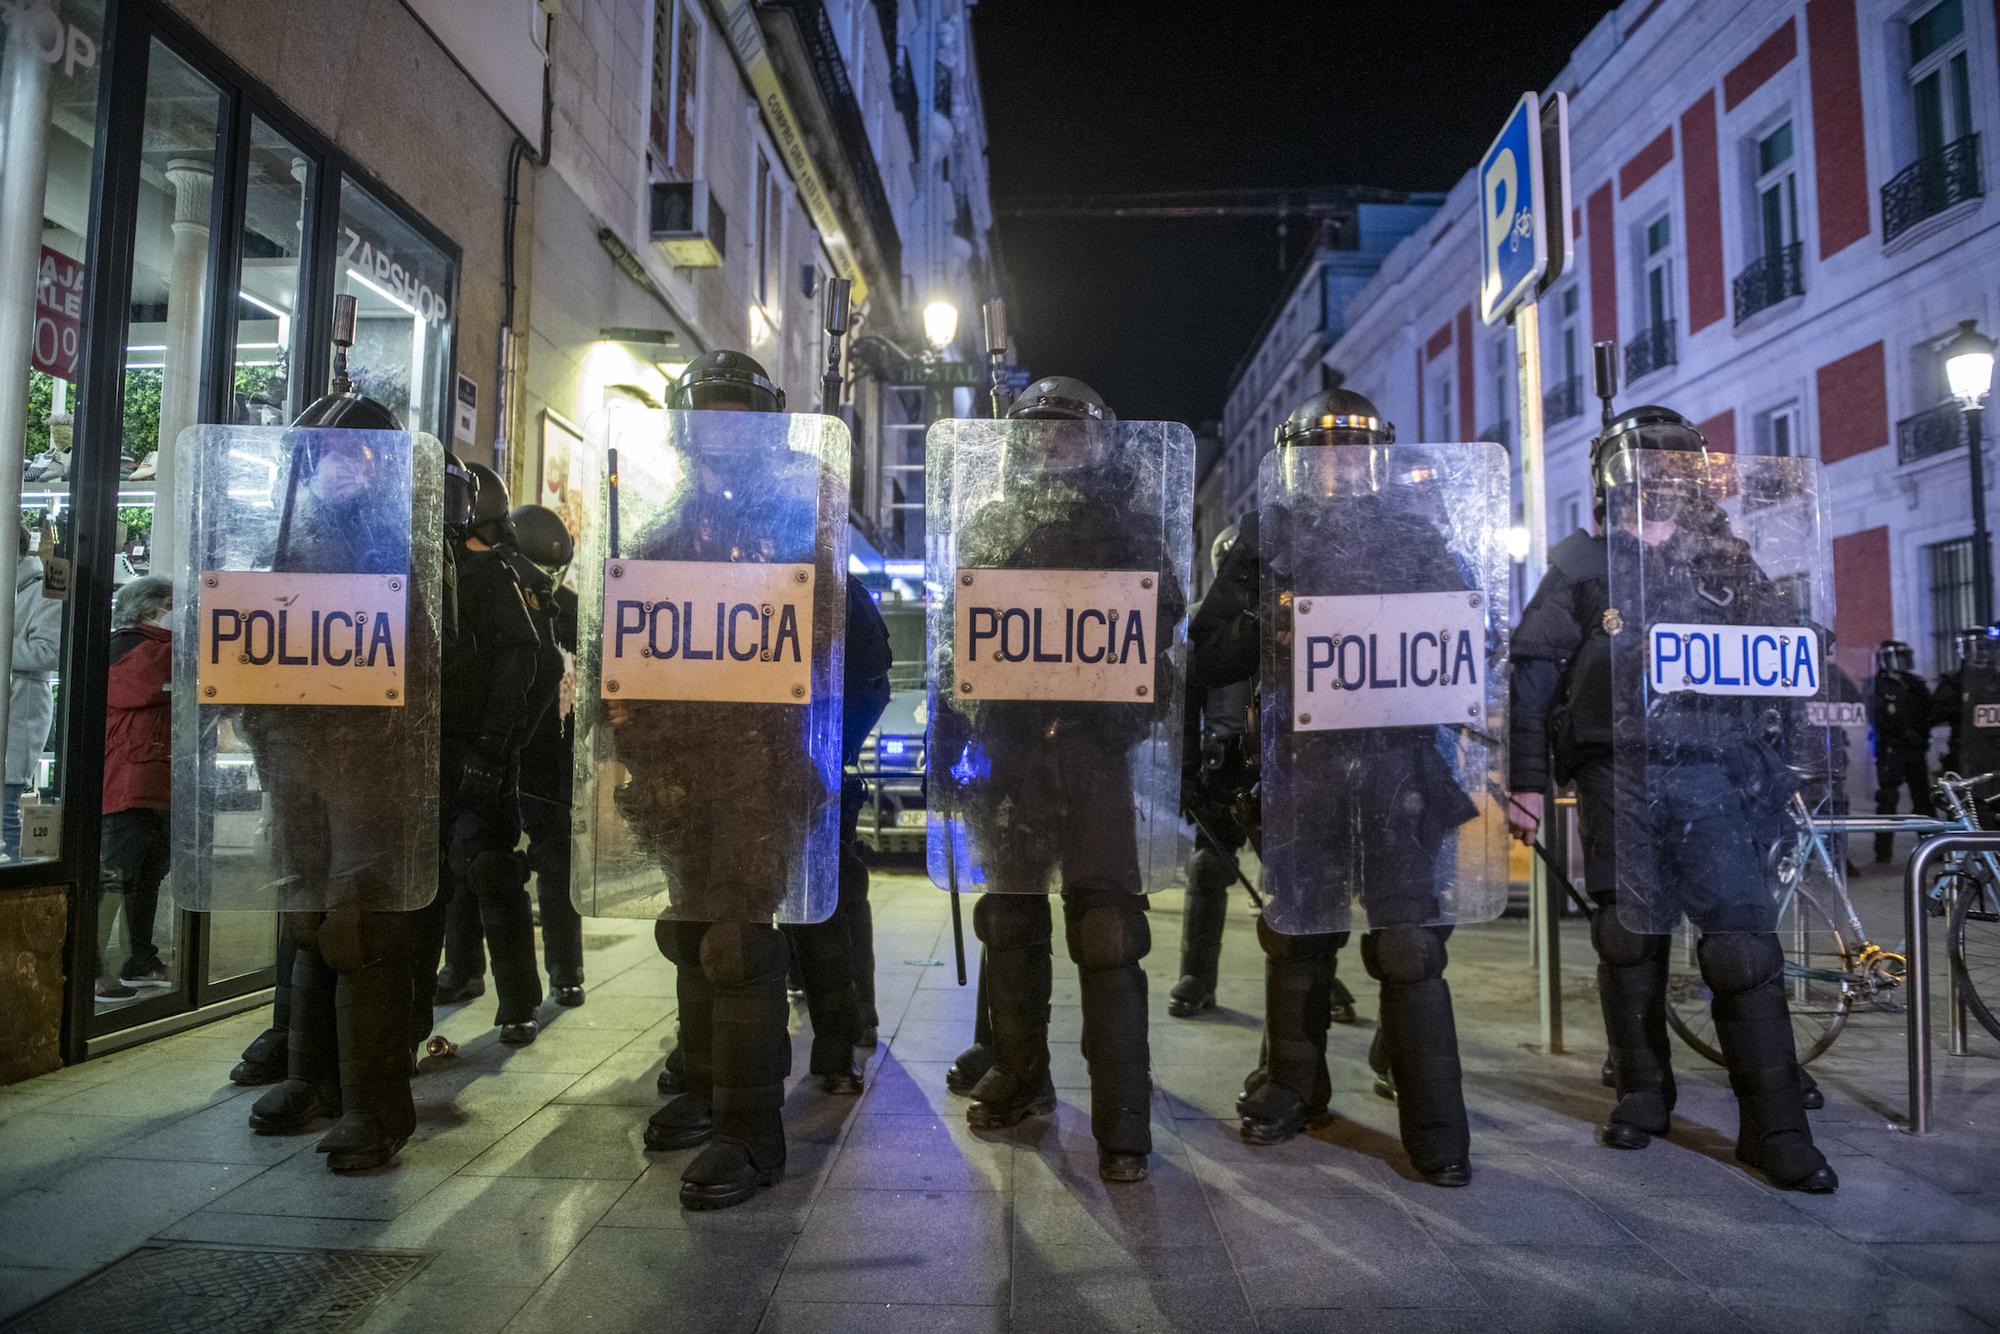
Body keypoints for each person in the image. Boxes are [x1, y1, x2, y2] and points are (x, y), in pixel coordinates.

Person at [1507, 396, 1837, 1193]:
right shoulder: (1582, 566)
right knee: (1629, 937)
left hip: (1712, 767)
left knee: (1740, 945)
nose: (1658, 478)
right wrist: (1525, 783)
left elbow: (1784, 662)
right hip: (1616, 768)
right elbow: (1535, 673)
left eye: (1672, 464)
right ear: (1613, 479)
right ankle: (1644, 1094)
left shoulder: (1728, 562)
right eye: (1644, 464)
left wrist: (1794, 761)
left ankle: (1774, 1126)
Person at [1191, 389, 1484, 1186]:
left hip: (1399, 769)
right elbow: (1208, 652)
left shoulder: (1415, 536)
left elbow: (1466, 634)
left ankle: (1435, 1123)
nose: (1341, 466)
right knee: (1297, 933)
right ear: (1298, 464)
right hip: (1302, 769)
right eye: (1324, 454)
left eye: (1355, 453)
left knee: (1408, 943)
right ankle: (1293, 1088)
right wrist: (1266, 622)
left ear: (1377, 459)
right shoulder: (1266, 537)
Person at [928, 376, 1187, 1184]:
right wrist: (947, 738)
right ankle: (1020, 1070)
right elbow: (958, 635)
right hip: (1011, 751)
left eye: (1067, 431)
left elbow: (1159, 626)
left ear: (1097, 444)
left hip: (1092, 753)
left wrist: (1121, 709)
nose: (1050, 441)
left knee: (1107, 931)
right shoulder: (992, 524)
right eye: (1037, 431)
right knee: (1010, 919)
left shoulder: (1130, 528)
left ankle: (1122, 1120)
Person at [614, 349, 846, 1209]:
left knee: (737, 942)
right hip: (679, 776)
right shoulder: (663, 536)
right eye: (704, 417)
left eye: (735, 418)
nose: (719, 432)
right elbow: (626, 654)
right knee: (690, 932)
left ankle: (751, 1134)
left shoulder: (793, 526)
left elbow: (833, 641)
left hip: (761, 770)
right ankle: (707, 1088)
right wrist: (637, 748)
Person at [231, 365, 442, 1173]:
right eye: (327, 454)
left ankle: (373, 1109)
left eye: (356, 454)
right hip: (293, 755)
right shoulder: (278, 544)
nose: (341, 466)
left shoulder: (401, 548)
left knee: (360, 925)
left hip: (369, 762)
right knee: (308, 915)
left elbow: (427, 661)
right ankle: (310, 1077)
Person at [427, 463, 543, 1044]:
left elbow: (529, 666)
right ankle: (456, 973)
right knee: (433, 873)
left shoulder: (497, 574)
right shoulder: (426, 569)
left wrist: (499, 748)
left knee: (491, 869)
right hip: (426, 748)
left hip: (477, 746)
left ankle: (519, 1000)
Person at [505, 503, 585, 1006]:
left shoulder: (567, 607)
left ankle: (566, 969)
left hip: (549, 750)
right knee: (481, 864)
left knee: (556, 861)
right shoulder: (492, 594)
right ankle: (464, 966)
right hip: (505, 744)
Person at [95, 575, 174, 998]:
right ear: (150, 607)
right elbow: (145, 685)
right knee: (117, 878)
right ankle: (92, 968)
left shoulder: (153, 648)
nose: (178, 612)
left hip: (152, 782)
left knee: (146, 877)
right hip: (130, 782)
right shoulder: (131, 649)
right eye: (171, 604)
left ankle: (139, 960)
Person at [5, 525, 60, 860]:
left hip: (17, 713)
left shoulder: (42, 590)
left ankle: (20, 884)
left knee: (5, 817)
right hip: (15, 709)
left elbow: (48, 653)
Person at [1868, 640, 1933, 864]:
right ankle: (1883, 852)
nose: (1902, 662)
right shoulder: (1877, 685)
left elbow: (1929, 711)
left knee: (1923, 800)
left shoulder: (1915, 683)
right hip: (1891, 749)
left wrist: (1920, 733)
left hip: (1915, 749)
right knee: (1887, 800)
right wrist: (1902, 733)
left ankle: (1932, 847)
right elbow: (1877, 716)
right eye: (1898, 658)